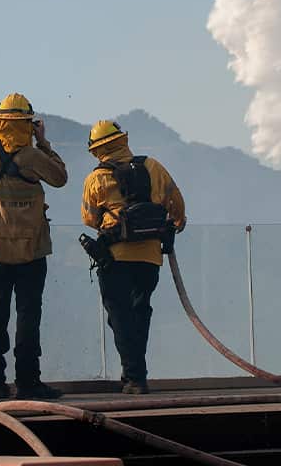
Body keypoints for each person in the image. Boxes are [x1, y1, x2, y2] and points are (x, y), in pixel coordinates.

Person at [0, 93, 68, 400]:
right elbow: (61, 178)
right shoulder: (33, 157)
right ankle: (28, 382)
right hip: (32, 251)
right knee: (28, 315)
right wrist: (43, 143)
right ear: (27, 124)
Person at [81, 120, 186, 395]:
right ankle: (136, 375)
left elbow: (89, 218)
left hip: (114, 257)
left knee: (119, 315)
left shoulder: (96, 178)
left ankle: (134, 377)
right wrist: (177, 221)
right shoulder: (153, 166)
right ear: (123, 140)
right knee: (140, 311)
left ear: (96, 150)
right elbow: (176, 201)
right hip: (150, 256)